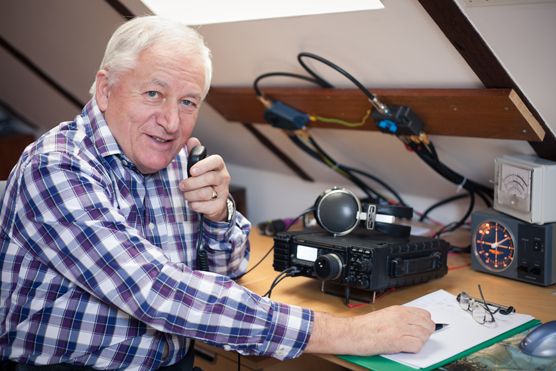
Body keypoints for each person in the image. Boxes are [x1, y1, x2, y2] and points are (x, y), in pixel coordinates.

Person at [0, 16, 434, 370]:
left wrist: (220, 217)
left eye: (188, 103)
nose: (171, 122)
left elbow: (230, 267)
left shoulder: (177, 157)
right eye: (154, 93)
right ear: (105, 88)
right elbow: (158, 292)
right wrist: (349, 332)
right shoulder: (56, 167)